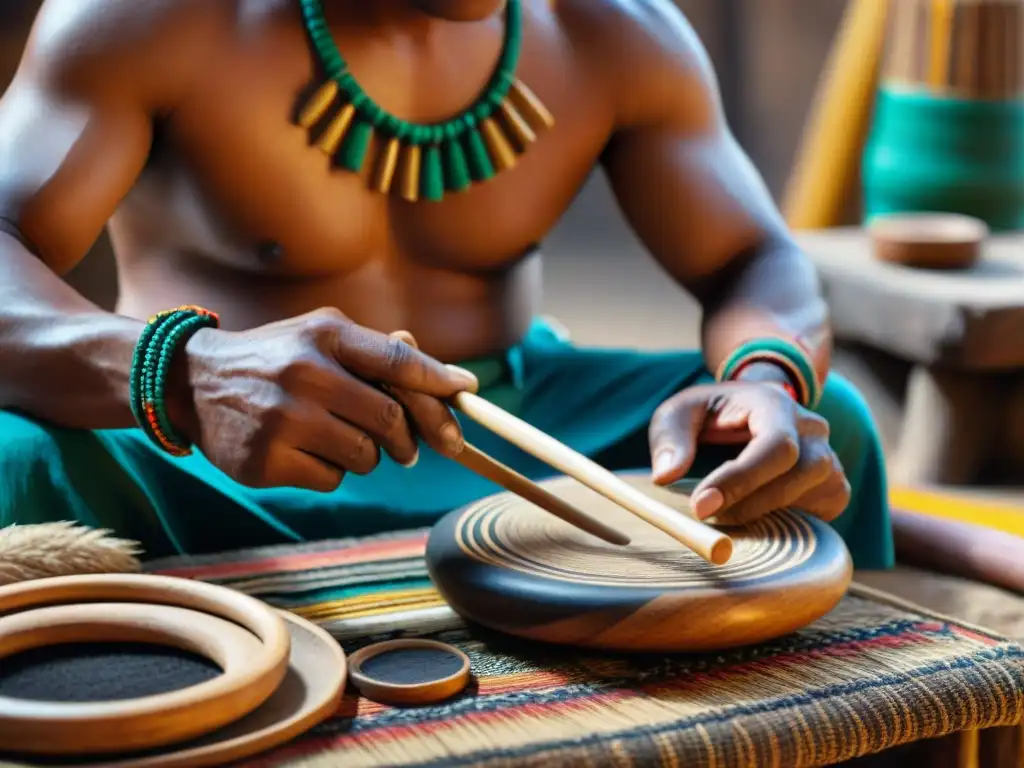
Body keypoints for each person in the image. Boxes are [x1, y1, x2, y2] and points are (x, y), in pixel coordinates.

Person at [0, 0, 892, 567]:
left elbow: (757, 259)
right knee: (17, 460)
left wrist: (762, 381)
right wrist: (185, 372)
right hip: (204, 463)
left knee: (826, 426)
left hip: (519, 439)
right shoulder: (148, 17)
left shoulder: (614, 29)